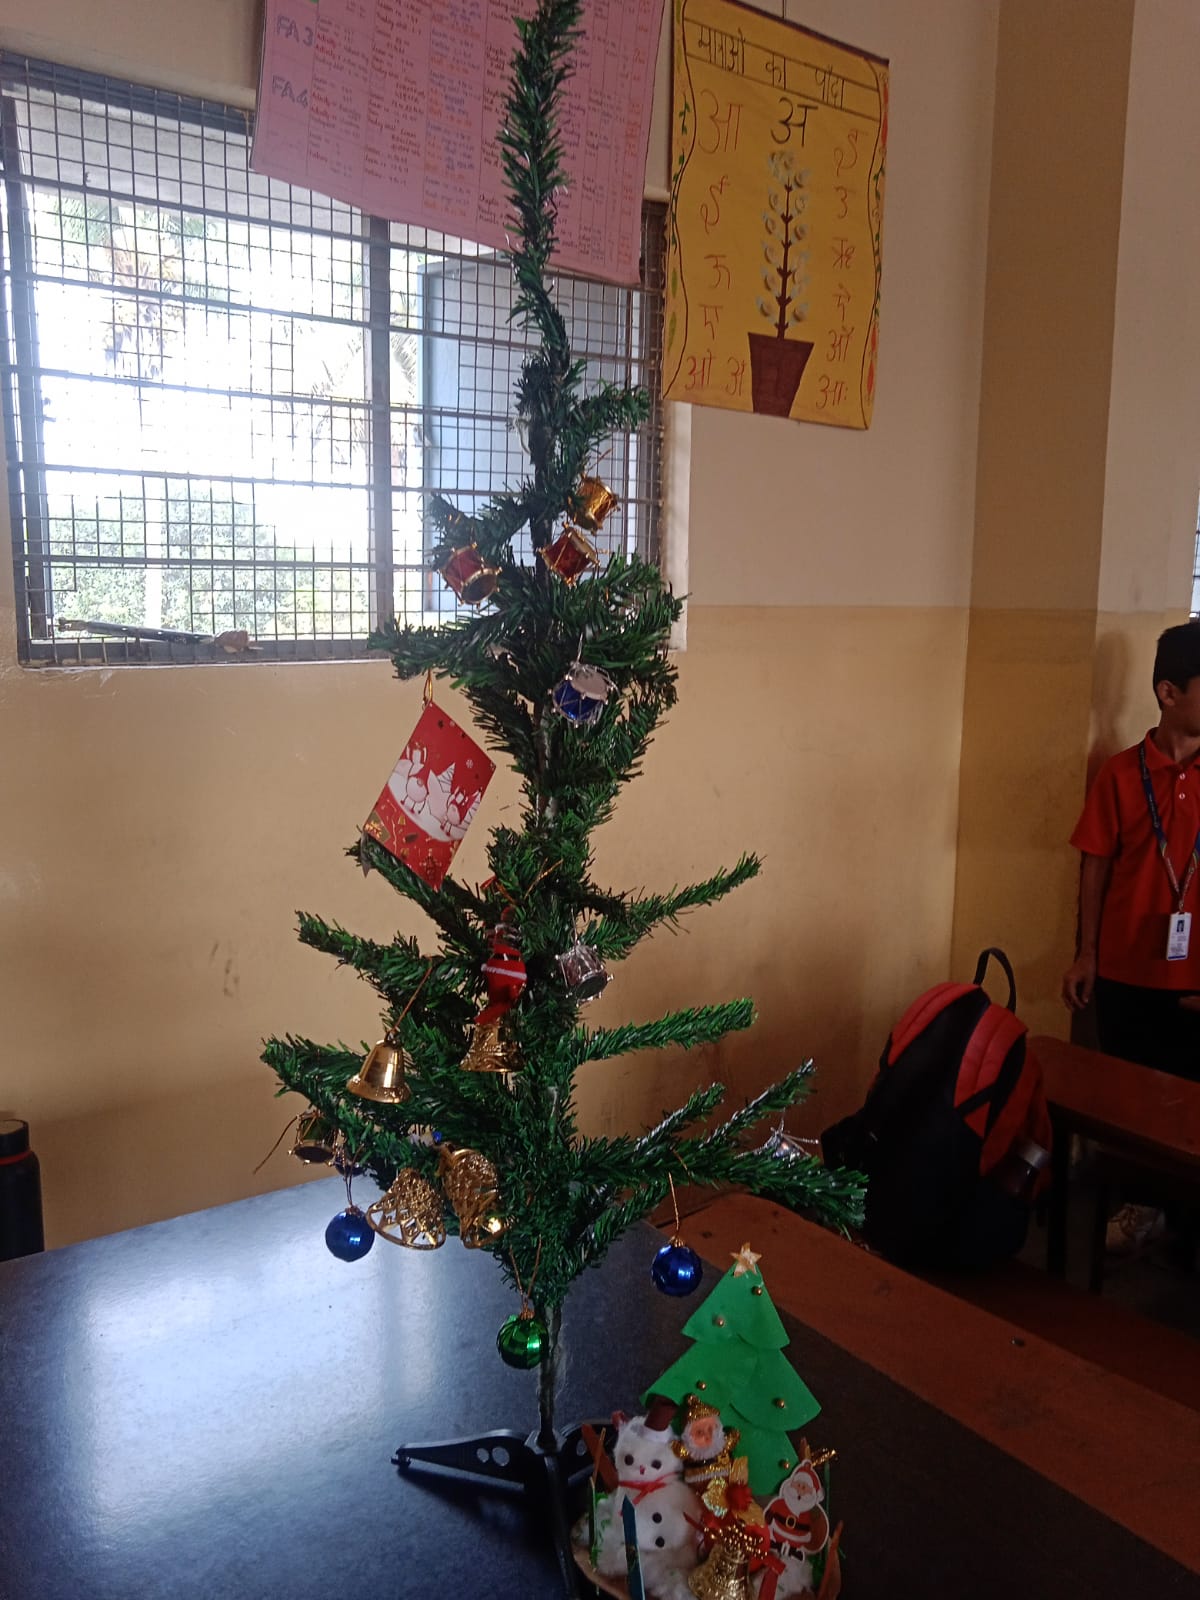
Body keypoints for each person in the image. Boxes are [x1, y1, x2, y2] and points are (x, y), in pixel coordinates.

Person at [1062, 619, 1200, 1252]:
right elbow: (1095, 865)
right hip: (1125, 974)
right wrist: (1086, 954)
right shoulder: (1120, 775)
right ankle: (1140, 1211)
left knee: (1188, 1109)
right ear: (1169, 693)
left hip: (1194, 980)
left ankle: (1184, 1224)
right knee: (1131, 1104)